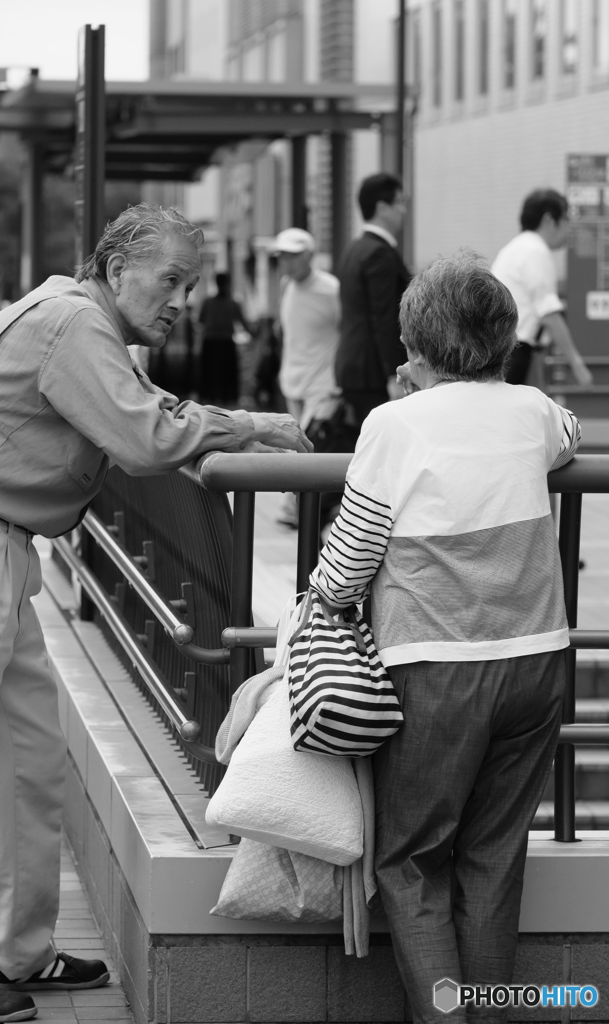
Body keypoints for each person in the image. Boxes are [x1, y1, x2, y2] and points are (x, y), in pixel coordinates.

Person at [0, 204, 311, 1024]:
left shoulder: (74, 321)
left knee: (27, 760)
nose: (183, 298)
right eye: (171, 279)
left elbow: (149, 415)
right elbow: (148, 438)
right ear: (116, 270)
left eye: (194, 283)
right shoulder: (73, 324)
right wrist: (251, 425)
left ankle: (16, 949)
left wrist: (219, 430)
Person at [309, 251, 579, 1024]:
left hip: (434, 668)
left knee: (412, 860)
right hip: (535, 660)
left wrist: (321, 597)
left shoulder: (393, 423)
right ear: (501, 339)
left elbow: (352, 558)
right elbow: (565, 429)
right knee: (492, 858)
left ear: (414, 347)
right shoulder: (531, 408)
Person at [334, 172, 413, 435]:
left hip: (354, 367)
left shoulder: (355, 248)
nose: (404, 210)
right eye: (399, 202)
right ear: (382, 207)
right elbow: (385, 318)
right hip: (373, 373)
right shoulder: (380, 253)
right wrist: (394, 374)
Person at [273, 227, 341, 528]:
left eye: (292, 256)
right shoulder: (287, 285)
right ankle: (299, 507)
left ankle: (301, 508)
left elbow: (345, 329)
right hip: (292, 378)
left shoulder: (331, 288)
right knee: (293, 443)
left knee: (310, 443)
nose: (286, 263)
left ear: (309, 256)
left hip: (321, 381)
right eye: (282, 257)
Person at [492, 188, 593, 389]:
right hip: (517, 352)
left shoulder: (514, 248)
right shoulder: (536, 251)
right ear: (549, 220)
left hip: (500, 349)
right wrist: (577, 364)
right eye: (566, 219)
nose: (569, 227)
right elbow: (549, 314)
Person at [197, 272, 250, 406]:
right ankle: (225, 399)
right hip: (225, 343)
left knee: (211, 373)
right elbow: (243, 324)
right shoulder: (232, 303)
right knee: (226, 375)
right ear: (227, 284)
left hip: (211, 342)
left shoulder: (208, 302)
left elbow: (200, 321)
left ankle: (211, 398)